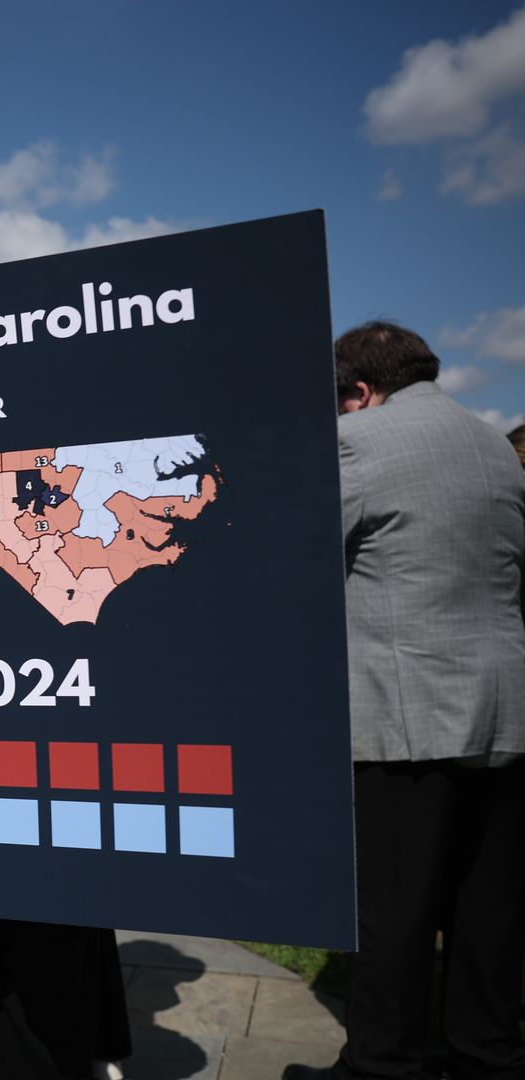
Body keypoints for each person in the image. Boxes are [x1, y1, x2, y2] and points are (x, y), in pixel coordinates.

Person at [285, 322, 525, 1080]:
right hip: (504, 706)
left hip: (404, 713)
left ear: (359, 391)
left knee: (395, 911)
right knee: (488, 910)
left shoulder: (361, 443)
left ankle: (383, 1063)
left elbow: (295, 555)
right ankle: (486, 1053)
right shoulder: (491, 444)